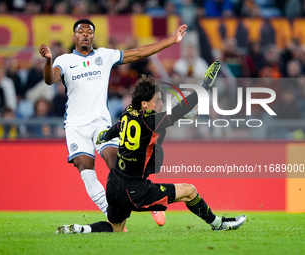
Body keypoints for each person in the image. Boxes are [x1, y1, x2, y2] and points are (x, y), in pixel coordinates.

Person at [56, 60, 247, 234]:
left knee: (116, 228)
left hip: (113, 185)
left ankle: (81, 229)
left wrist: (106, 135)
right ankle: (218, 224)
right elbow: (180, 109)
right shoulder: (151, 122)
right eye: (157, 100)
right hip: (135, 190)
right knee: (190, 191)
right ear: (145, 104)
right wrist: (204, 86)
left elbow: (117, 127)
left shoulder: (129, 111)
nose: (161, 103)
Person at [39, 19, 188, 226]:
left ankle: (151, 201)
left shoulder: (104, 56)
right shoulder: (63, 61)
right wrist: (48, 60)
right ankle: (112, 217)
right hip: (75, 125)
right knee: (85, 168)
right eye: (80, 32)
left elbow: (138, 52)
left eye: (88, 32)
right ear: (74, 37)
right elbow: (49, 80)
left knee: (115, 161)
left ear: (93, 36)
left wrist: (171, 40)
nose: (84, 35)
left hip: (100, 123)